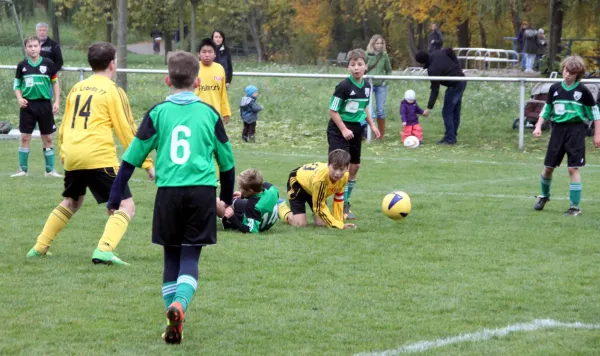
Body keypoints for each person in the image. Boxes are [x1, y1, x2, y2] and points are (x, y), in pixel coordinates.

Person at [106, 50, 235, 344]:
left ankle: (171, 318)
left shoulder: (157, 113)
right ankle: (180, 306)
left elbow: (130, 159)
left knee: (170, 257)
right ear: (198, 83)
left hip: (168, 193)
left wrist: (115, 196)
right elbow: (228, 163)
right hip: (202, 192)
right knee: (190, 255)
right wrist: (225, 199)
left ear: (167, 80)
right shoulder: (210, 114)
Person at [25, 42, 155, 265]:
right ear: (112, 64)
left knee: (72, 201)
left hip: (73, 154)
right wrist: (147, 163)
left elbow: (64, 124)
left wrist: (65, 153)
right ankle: (104, 249)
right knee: (126, 205)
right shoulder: (114, 91)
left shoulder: (78, 87)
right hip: (97, 156)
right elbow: (128, 129)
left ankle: (39, 247)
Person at [533, 56, 600, 216]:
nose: (567, 74)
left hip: (576, 131)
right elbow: (547, 109)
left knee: (573, 168)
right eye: (565, 70)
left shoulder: (582, 91)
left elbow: (595, 113)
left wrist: (597, 134)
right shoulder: (555, 88)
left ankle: (574, 207)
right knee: (548, 168)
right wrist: (538, 125)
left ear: (578, 74)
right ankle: (544, 196)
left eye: (571, 72)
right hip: (557, 130)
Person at [327, 49, 381, 220]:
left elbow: (364, 106)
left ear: (366, 67)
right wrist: (343, 129)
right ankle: (329, 202)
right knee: (339, 168)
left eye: (359, 64)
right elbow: (333, 110)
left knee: (354, 167)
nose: (356, 68)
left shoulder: (366, 86)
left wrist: (372, 125)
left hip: (356, 129)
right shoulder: (343, 86)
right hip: (339, 129)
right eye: (353, 65)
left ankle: (345, 203)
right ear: (348, 67)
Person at [12, 35, 61, 178]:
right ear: (26, 48)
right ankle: (22, 170)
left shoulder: (48, 63)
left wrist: (56, 101)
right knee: (25, 137)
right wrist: (20, 98)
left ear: (40, 47)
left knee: (48, 138)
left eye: (35, 46)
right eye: (30, 46)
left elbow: (55, 83)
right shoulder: (22, 65)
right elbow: (17, 84)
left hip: (45, 105)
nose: (33, 49)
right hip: (28, 105)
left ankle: (50, 171)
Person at [277, 149, 356, 230]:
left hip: (313, 188)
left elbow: (338, 199)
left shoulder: (345, 176)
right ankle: (280, 206)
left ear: (347, 168)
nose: (337, 173)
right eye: (334, 168)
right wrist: (338, 225)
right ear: (328, 164)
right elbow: (318, 208)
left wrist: (339, 222)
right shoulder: (320, 180)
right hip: (298, 182)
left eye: (341, 169)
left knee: (321, 224)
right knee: (300, 224)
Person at [416, 49, 466, 145]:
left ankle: (450, 139)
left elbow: (435, 90)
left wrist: (428, 108)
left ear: (421, 63)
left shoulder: (432, 70)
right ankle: (451, 136)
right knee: (455, 111)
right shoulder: (437, 52)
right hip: (462, 80)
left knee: (447, 112)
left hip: (455, 86)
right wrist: (457, 66)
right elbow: (450, 50)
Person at [216, 168, 279, 233]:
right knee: (228, 200)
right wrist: (243, 195)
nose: (239, 189)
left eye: (241, 188)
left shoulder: (252, 206)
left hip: (253, 219)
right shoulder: (270, 187)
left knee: (217, 203)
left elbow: (251, 230)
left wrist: (232, 218)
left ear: (250, 191)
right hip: (262, 217)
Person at [194, 38, 231, 124]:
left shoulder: (220, 69)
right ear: (199, 54)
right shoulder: (193, 68)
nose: (207, 55)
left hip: (214, 113)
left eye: (210, 52)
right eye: (204, 52)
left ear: (215, 54)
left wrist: (226, 112)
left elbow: (223, 93)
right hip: (196, 113)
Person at [366, 34, 392, 139]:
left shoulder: (384, 55)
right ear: (373, 44)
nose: (380, 45)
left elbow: (389, 70)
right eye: (377, 43)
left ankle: (380, 135)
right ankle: (367, 132)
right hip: (368, 85)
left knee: (380, 110)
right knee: (368, 109)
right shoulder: (366, 54)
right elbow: (363, 68)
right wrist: (373, 57)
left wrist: (386, 81)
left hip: (381, 86)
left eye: (381, 43)